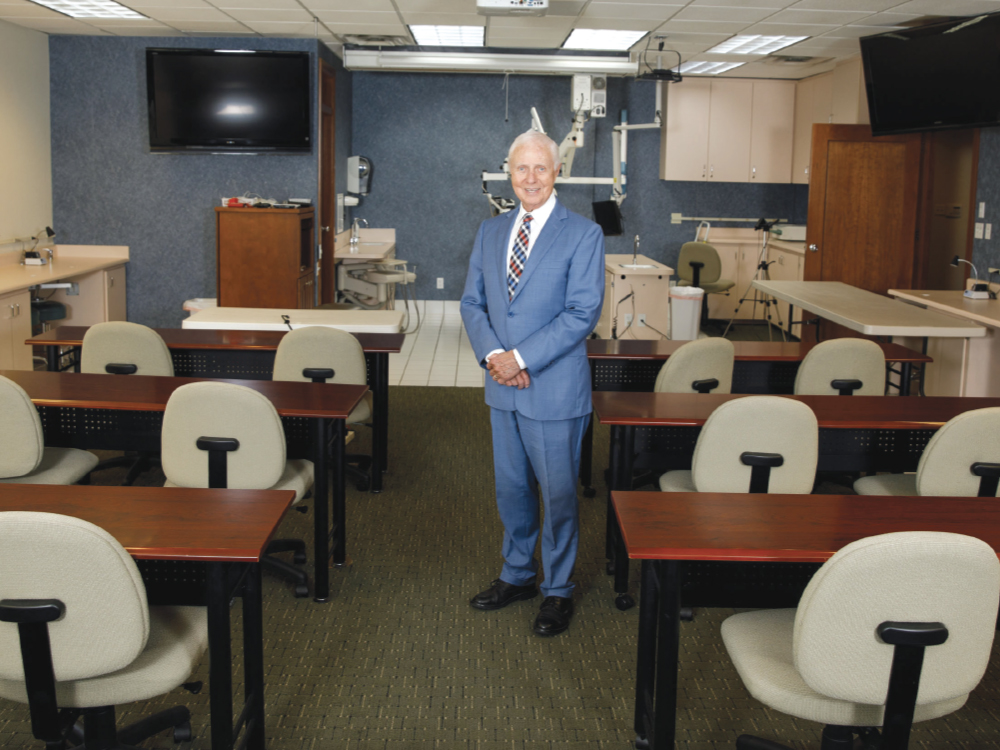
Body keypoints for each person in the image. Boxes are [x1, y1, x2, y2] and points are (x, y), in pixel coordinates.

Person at [460, 130, 605, 636]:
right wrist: (496, 356)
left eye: (541, 168)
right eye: (521, 169)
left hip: (554, 387)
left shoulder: (583, 234)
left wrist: (520, 356)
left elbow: (582, 312)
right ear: (509, 172)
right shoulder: (491, 231)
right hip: (503, 387)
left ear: (557, 172)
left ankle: (558, 589)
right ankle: (519, 574)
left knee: (559, 494)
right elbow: (472, 303)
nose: (531, 178)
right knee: (512, 490)